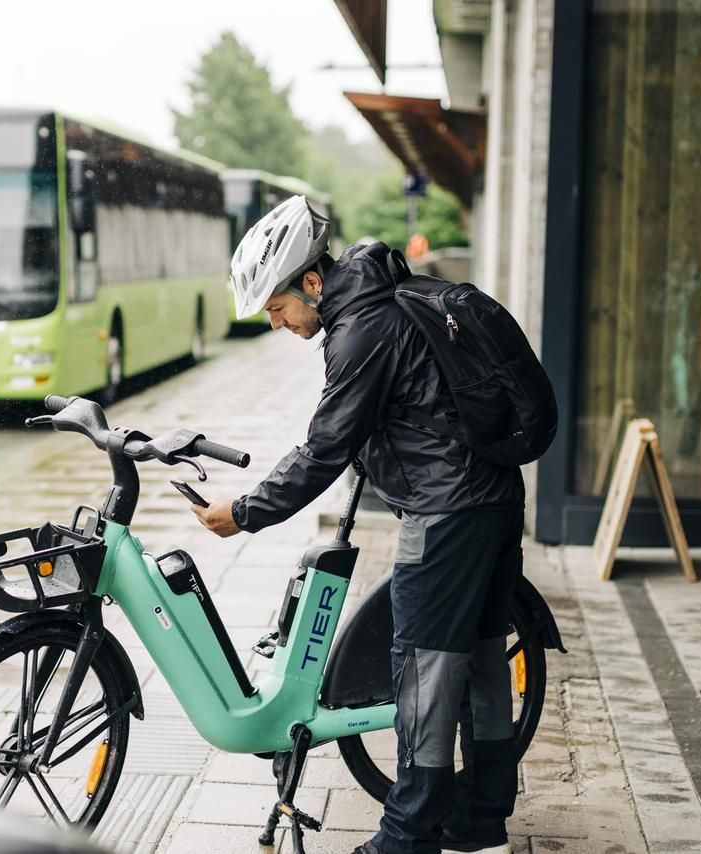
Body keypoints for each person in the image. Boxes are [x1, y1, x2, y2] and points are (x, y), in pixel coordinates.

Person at [192, 195, 525, 854]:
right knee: (481, 659)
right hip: (492, 497)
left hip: (446, 513)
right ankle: (482, 824)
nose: (276, 322)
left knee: (424, 672)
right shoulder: (387, 304)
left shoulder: (361, 330)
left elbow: (323, 448)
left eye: (279, 308)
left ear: (312, 281)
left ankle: (406, 839)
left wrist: (246, 512)